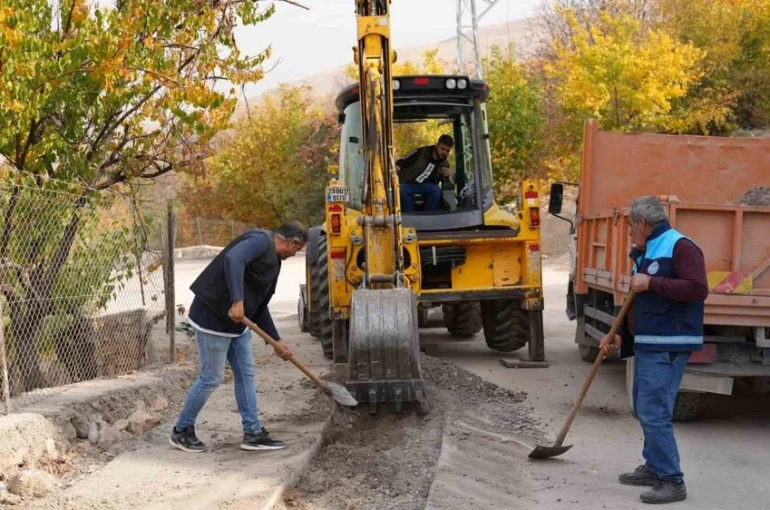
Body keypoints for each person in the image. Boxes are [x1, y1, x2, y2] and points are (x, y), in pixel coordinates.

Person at [601, 196, 708, 505]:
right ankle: (654, 466)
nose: (630, 232)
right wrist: (619, 334)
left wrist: (652, 282)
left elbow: (697, 288)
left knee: (654, 412)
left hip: (668, 344)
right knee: (643, 408)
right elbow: (636, 300)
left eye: (631, 226)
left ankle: (672, 479)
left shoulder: (681, 247)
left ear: (643, 224)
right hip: (649, 342)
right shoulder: (647, 250)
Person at [169, 221, 307, 454]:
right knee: (211, 377)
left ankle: (252, 433)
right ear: (291, 243)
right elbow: (234, 259)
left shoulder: (273, 262)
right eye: (297, 250)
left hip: (237, 325)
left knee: (246, 374)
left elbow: (260, 305)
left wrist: (275, 341)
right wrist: (237, 301)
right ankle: (181, 431)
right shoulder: (260, 241)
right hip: (213, 318)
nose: (295, 255)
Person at [396, 134, 454, 212]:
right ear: (436, 145)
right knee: (401, 189)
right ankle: (410, 216)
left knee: (436, 190)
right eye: (442, 149)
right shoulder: (421, 152)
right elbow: (402, 161)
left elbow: (445, 186)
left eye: (447, 151)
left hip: (426, 187)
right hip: (408, 184)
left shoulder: (445, 164)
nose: (444, 152)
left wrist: (447, 177)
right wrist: (397, 167)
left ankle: (430, 216)